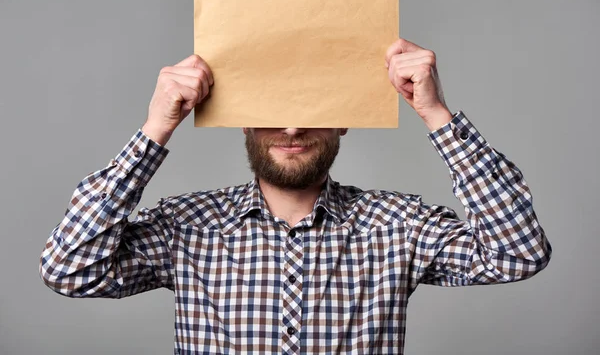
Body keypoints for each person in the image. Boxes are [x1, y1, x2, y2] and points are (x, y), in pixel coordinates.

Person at [39, 38, 552, 355]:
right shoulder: (185, 227)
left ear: (345, 119)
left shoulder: (399, 226)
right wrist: (156, 127)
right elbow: (69, 269)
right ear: (239, 118)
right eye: (269, 108)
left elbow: (517, 254)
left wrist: (437, 114)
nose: (290, 126)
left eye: (313, 106)